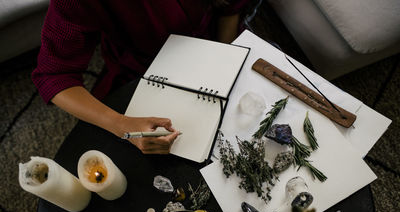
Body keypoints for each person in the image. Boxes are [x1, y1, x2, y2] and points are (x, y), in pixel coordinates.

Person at [32, 0, 250, 154]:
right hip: (143, 72)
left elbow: (229, 9)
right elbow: (53, 75)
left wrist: (224, 58)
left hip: (217, 44)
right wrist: (123, 126)